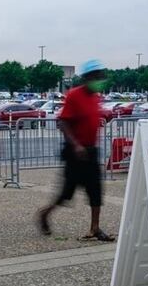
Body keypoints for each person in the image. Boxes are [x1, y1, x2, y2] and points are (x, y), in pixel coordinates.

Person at [37, 59, 115, 242]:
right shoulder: (74, 95)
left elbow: (93, 118)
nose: (99, 80)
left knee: (96, 190)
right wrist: (76, 145)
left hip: (91, 151)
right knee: (66, 194)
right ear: (87, 78)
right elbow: (63, 122)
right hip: (75, 153)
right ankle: (44, 214)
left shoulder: (96, 97)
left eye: (100, 76)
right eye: (96, 76)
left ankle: (95, 228)